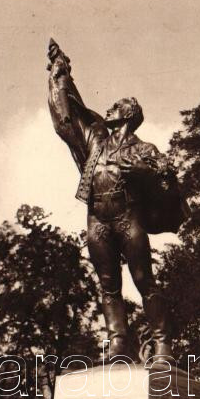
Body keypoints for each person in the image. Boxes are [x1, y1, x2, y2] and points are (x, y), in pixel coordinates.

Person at [47, 39, 187, 361]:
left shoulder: (144, 150)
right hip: (97, 219)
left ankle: (163, 343)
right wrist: (61, 77)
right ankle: (118, 344)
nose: (108, 108)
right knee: (108, 285)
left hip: (128, 218)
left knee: (143, 280)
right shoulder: (95, 141)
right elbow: (71, 116)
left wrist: (145, 171)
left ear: (127, 115)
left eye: (115, 107)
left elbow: (167, 182)